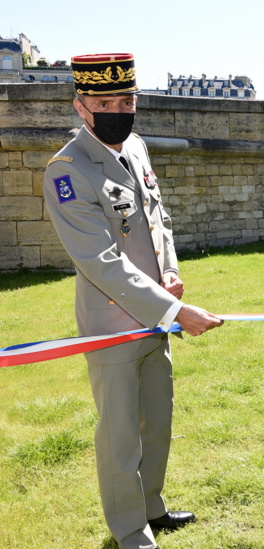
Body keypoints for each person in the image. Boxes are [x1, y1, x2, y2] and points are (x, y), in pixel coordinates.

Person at [43, 53, 223, 549]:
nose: (118, 110)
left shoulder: (136, 146)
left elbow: (156, 220)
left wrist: (171, 271)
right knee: (120, 433)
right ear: (82, 106)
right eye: (105, 102)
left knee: (157, 419)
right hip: (113, 322)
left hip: (156, 315)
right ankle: (129, 533)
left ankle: (152, 507)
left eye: (126, 100)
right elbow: (100, 260)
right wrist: (176, 312)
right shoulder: (68, 170)